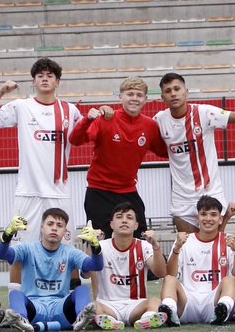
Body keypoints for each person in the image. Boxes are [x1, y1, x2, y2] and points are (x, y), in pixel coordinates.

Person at [0, 57, 83, 238]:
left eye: (50, 75)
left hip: (58, 192)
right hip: (27, 192)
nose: (44, 79)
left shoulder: (70, 110)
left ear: (57, 82)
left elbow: (87, 135)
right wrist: (1, 92)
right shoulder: (21, 106)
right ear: (34, 82)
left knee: (65, 251)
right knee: (22, 250)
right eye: (40, 75)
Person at [154, 72, 235, 232]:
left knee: (213, 245)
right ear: (162, 97)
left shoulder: (204, 113)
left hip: (210, 192)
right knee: (188, 248)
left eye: (177, 88)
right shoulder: (159, 120)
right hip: (181, 198)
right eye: (168, 91)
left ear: (186, 91)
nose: (173, 93)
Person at [68, 76, 168, 236]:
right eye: (130, 94)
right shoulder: (106, 119)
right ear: (120, 96)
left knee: (140, 239)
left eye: (139, 95)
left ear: (145, 99)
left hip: (128, 191)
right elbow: (75, 140)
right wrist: (88, 119)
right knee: (98, 243)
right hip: (99, 191)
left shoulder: (150, 125)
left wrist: (187, 140)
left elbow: (166, 152)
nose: (134, 98)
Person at [0, 208, 101, 331]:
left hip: (61, 309)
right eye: (50, 224)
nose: (54, 228)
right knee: (15, 294)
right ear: (42, 227)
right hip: (33, 309)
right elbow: (1, 254)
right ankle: (21, 319)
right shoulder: (28, 248)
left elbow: (95, 265)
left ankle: (81, 317)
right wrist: (7, 234)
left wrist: (95, 245)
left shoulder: (70, 252)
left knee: (82, 289)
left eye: (59, 225)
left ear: (65, 231)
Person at [80, 203, 169, 330]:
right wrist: (92, 244)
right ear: (111, 224)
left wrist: (155, 245)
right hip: (108, 305)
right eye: (119, 217)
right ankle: (110, 321)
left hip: (136, 305)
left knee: (155, 301)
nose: (124, 220)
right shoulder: (102, 246)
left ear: (136, 225)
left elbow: (160, 273)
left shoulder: (144, 246)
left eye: (129, 217)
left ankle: (146, 319)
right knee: (94, 307)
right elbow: (86, 273)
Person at [159, 196, 235, 325]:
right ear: (197, 218)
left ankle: (223, 309)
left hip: (214, 301)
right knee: (169, 280)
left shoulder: (228, 240)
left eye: (213, 215)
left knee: (230, 279)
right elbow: (171, 274)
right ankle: (169, 312)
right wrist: (176, 249)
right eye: (203, 214)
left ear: (220, 219)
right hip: (188, 302)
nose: (208, 219)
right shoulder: (184, 240)